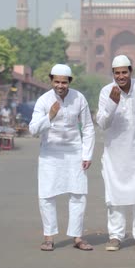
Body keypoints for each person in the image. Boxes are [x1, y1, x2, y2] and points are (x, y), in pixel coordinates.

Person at [96, 55, 135, 252]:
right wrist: (112, 105)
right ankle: (116, 236)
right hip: (115, 154)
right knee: (115, 196)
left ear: (131, 71)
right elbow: (102, 123)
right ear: (112, 74)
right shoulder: (106, 92)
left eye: (124, 72)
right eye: (117, 73)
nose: (121, 76)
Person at [29, 64, 95, 252]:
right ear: (51, 81)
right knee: (47, 195)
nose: (60, 85)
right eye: (56, 81)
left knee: (78, 194)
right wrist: (50, 115)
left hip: (74, 151)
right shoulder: (43, 101)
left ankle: (77, 237)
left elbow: (88, 127)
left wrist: (87, 154)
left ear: (69, 82)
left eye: (63, 82)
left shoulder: (79, 98)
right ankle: (49, 238)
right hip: (50, 153)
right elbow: (33, 129)